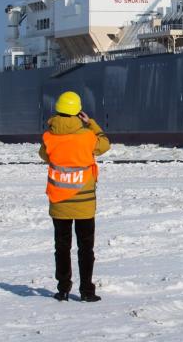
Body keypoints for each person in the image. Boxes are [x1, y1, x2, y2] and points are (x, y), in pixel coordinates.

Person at [39, 91, 110, 302]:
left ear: (58, 110)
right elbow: (105, 144)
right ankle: (87, 291)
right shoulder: (88, 137)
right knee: (85, 249)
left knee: (62, 248)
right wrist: (91, 124)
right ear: (78, 112)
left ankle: (63, 290)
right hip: (84, 203)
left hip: (59, 201)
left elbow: (44, 155)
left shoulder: (48, 137)